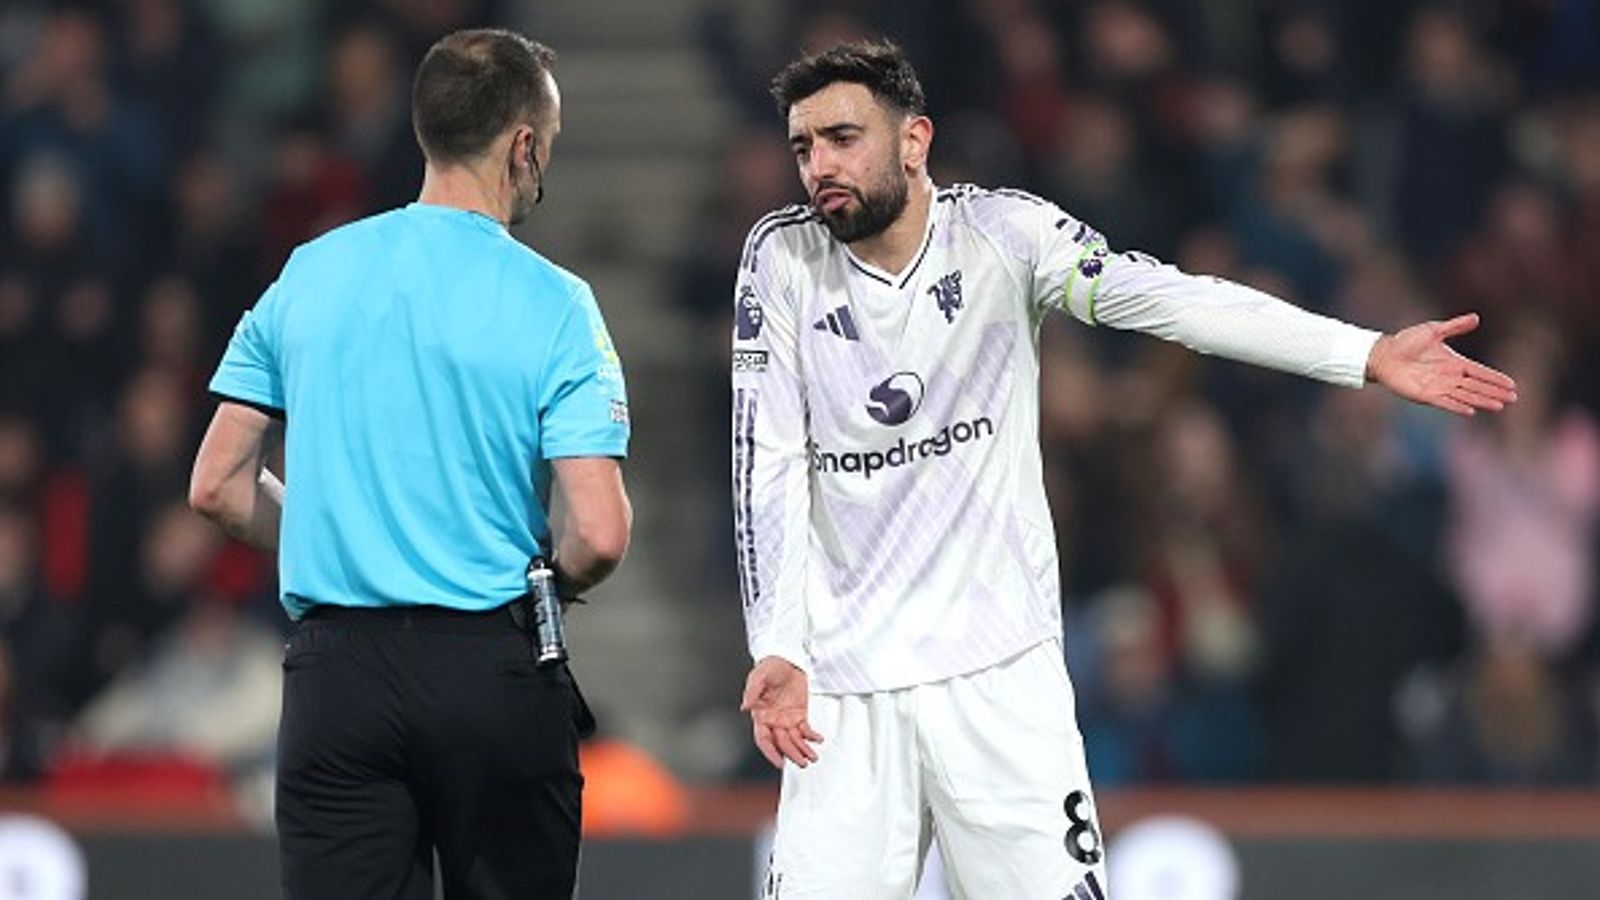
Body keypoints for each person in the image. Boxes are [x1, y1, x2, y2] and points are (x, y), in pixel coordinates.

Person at [732, 40, 1516, 899]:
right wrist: (777, 642)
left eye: (843, 138)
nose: (818, 167)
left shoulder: (1005, 235)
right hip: (847, 693)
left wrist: (1360, 353)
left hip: (1000, 679)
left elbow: (1173, 300)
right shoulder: (781, 261)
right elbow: (763, 460)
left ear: (914, 139)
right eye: (804, 147)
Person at [189, 29, 632, 900]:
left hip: (336, 680)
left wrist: (330, 535)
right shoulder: (556, 303)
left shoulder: (309, 272)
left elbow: (216, 487)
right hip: (492, 670)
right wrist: (555, 586)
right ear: (525, 145)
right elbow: (600, 532)